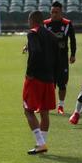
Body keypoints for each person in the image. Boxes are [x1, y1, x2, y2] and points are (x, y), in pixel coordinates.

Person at [23, 10, 60, 155]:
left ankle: (40, 143)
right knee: (44, 112)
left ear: (32, 21)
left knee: (28, 110)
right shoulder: (52, 35)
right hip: (49, 79)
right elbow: (57, 58)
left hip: (36, 79)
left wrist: (30, 73)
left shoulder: (33, 33)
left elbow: (37, 52)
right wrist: (54, 78)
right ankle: (42, 144)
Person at [43, 1, 76, 115]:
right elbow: (38, 38)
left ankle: (60, 106)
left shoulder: (67, 23)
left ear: (61, 12)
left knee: (62, 83)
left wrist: (73, 54)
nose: (54, 14)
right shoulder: (46, 24)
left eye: (56, 12)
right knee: (49, 84)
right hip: (48, 59)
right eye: (52, 12)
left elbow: (72, 39)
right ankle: (45, 105)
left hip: (62, 59)